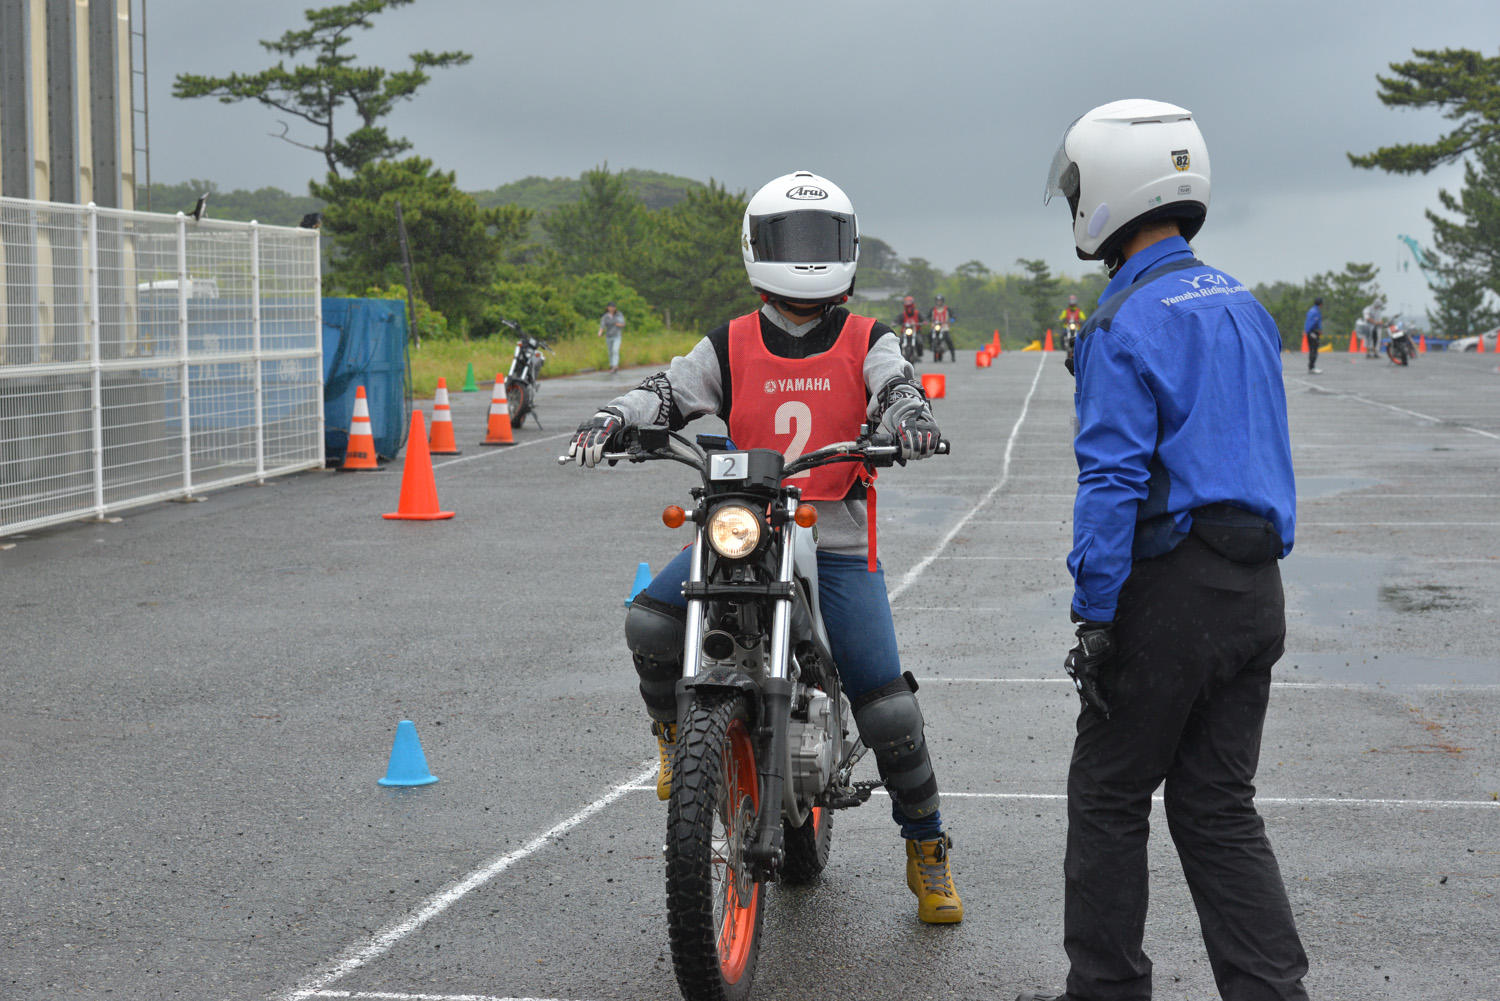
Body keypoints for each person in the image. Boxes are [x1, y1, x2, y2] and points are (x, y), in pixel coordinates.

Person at [566, 170, 963, 924]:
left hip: (835, 538)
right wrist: (615, 415)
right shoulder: (732, 340)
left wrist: (908, 411)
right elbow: (668, 390)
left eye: (820, 241)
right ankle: (678, 736)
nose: (808, 257)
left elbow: (895, 383)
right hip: (744, 527)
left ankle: (927, 844)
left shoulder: (867, 337)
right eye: (793, 240)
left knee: (885, 706)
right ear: (758, 246)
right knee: (650, 622)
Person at [1020, 99, 1309, 1001]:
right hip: (1256, 591)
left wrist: (1094, 614)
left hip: (1169, 590)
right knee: (1218, 807)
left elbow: (1111, 482)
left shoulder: (1122, 323)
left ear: (1107, 191)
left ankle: (1105, 989)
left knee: (1108, 795)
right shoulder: (1244, 304)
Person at [598, 301, 626, 373]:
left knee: (615, 350)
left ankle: (615, 366)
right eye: (610, 307)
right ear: (607, 308)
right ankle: (611, 365)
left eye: (613, 307)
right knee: (610, 351)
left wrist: (617, 324)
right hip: (609, 336)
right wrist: (600, 332)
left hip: (617, 335)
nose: (612, 308)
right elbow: (602, 325)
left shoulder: (619, 315)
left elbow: (623, 324)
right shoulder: (605, 316)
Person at [1304, 297, 1323, 373]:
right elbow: (1312, 323)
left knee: (1312, 349)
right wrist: (1317, 330)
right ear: (1321, 304)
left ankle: (1311, 366)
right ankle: (1312, 367)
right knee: (1314, 349)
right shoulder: (1315, 312)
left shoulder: (1311, 310)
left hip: (1310, 332)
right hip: (1313, 332)